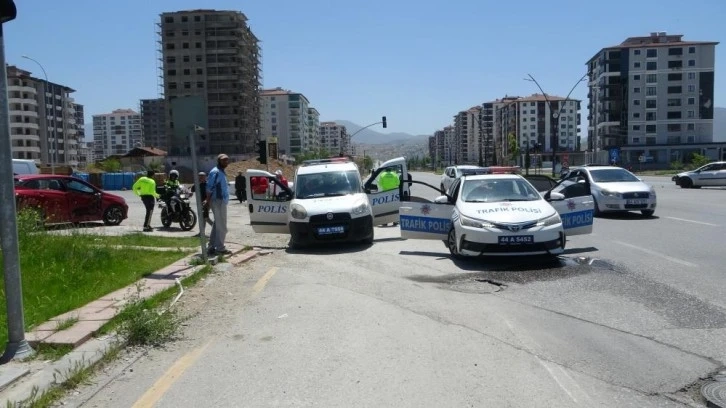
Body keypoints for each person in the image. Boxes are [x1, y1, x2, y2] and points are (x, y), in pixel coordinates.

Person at [205, 154, 231, 256]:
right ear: (219, 161)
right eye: (224, 160)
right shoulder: (215, 172)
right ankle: (220, 248)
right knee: (222, 226)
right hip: (218, 201)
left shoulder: (221, 172)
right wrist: (207, 201)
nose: (226, 162)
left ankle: (211, 246)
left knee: (217, 225)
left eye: (227, 160)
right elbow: (209, 188)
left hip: (220, 201)